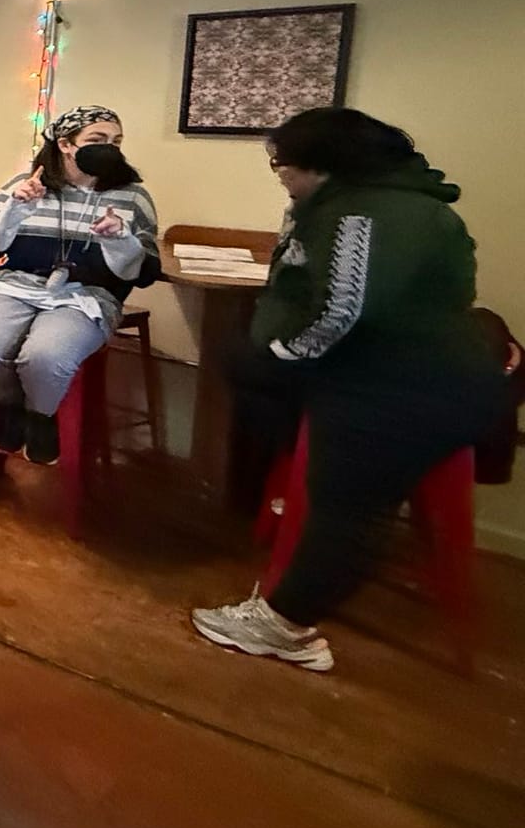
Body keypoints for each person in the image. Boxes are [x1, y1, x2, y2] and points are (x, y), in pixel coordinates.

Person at [192, 108, 509, 672]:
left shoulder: (365, 215)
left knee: (346, 513)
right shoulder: (389, 203)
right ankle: (294, 497)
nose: (279, 176)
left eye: (281, 165)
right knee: (269, 400)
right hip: (409, 382)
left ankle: (287, 626)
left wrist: (278, 358)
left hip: (399, 390)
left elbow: (343, 312)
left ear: (321, 164)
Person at [0, 104, 159, 464]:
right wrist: (15, 210)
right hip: (17, 285)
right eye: (97, 140)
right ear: (67, 144)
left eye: (117, 141)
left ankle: (42, 418)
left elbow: (144, 272)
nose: (110, 149)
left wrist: (119, 240)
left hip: (88, 296)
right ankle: (7, 406)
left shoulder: (132, 196)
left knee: (45, 355)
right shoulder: (25, 186)